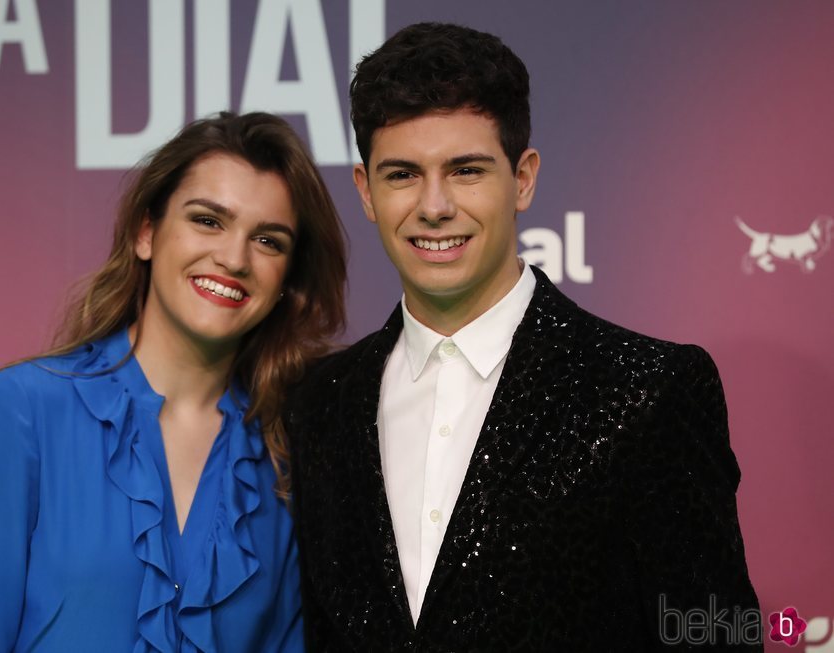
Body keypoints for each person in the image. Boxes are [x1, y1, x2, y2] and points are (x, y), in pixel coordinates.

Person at [287, 22, 761, 651]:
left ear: (524, 178)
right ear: (364, 190)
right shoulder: (322, 404)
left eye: (466, 170)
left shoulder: (649, 391)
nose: (433, 206)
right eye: (402, 174)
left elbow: (718, 635)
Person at [0, 112, 346, 653]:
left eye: (268, 240)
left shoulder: (285, 449)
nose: (234, 258)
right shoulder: (26, 409)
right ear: (147, 232)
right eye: (208, 221)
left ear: (288, 277)